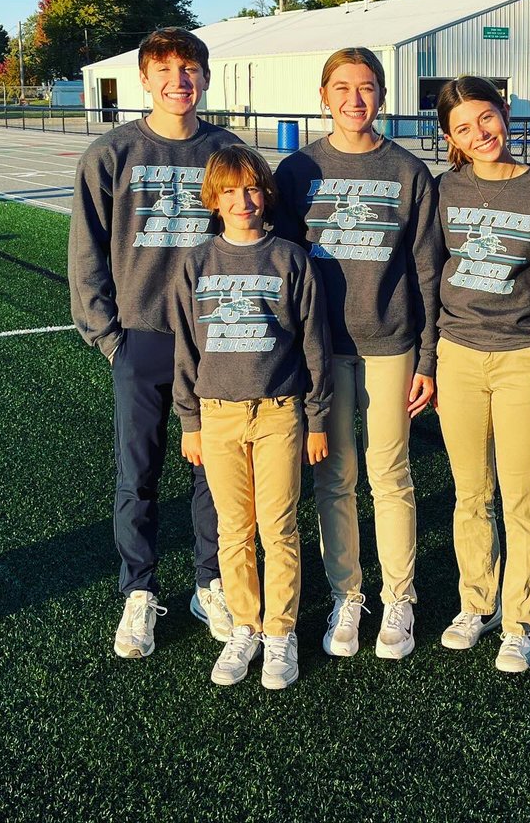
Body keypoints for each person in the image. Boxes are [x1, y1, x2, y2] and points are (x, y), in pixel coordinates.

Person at [69, 27, 241, 660]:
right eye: (165, 69)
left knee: (213, 470)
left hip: (218, 338)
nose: (179, 80)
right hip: (141, 335)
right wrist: (108, 335)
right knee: (137, 471)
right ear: (144, 79)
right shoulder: (113, 153)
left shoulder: (226, 150)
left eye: (189, 68)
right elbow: (86, 248)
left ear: (205, 77)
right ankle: (139, 590)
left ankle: (209, 581)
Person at [274, 47, 441, 660]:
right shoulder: (296, 172)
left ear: (383, 96)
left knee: (390, 474)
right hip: (322, 349)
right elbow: (280, 270)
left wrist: (428, 358)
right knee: (333, 476)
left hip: (391, 343)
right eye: (341, 87)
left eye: (367, 87)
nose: (354, 99)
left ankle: (400, 596)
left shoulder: (407, 172)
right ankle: (349, 593)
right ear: (324, 96)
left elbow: (427, 268)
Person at [173, 145, 332, 690]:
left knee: (279, 526)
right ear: (213, 199)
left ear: (266, 196)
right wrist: (189, 421)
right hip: (216, 417)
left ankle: (281, 631)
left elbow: (314, 345)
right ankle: (247, 625)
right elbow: (186, 352)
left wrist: (316, 419)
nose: (243, 201)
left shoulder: (290, 259)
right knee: (233, 530)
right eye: (230, 191)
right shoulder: (195, 264)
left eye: (252, 189)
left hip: (280, 414)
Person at [433, 77, 530, 674]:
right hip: (457, 355)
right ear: (449, 137)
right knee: (470, 493)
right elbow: (431, 274)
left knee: (521, 495)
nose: (480, 135)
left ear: (504, 113)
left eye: (486, 119)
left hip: (521, 359)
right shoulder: (444, 189)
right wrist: (428, 359)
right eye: (462, 128)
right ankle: (475, 602)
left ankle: (523, 617)